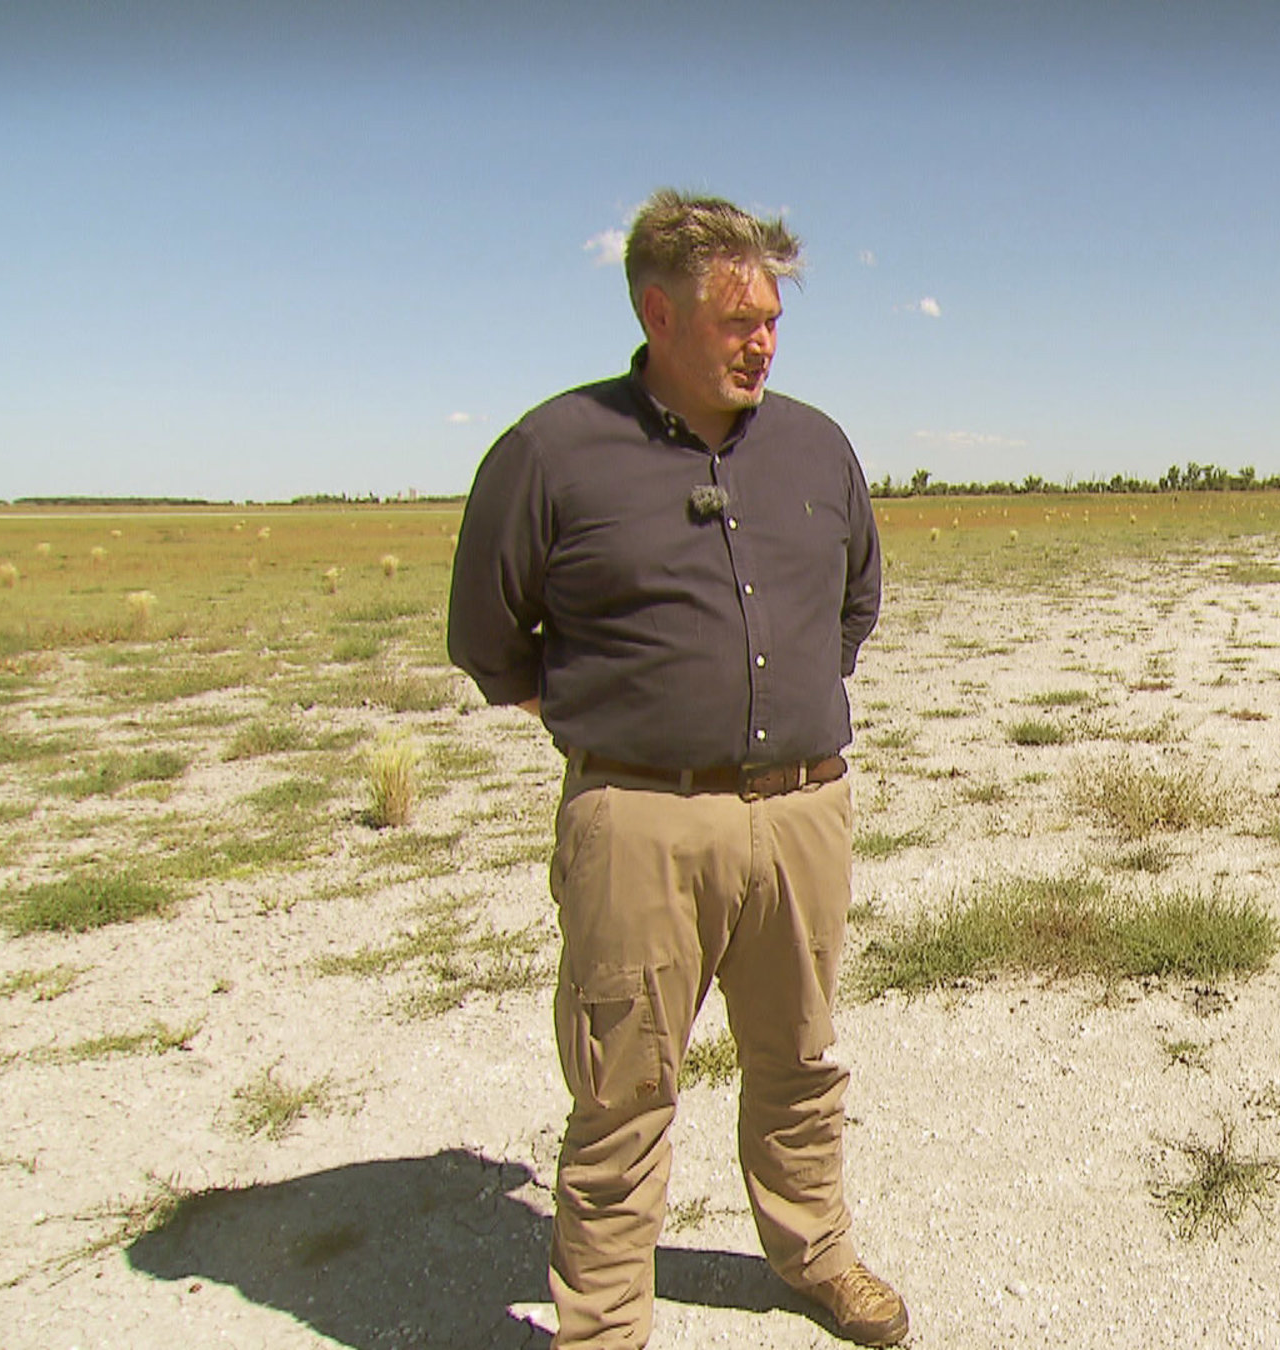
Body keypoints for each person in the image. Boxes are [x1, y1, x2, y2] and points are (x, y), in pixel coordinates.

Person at [448, 189, 905, 1349]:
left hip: (803, 813)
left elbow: (855, 601)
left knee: (800, 1061)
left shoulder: (815, 444)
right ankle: (603, 1327)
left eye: (772, 320)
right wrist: (628, 715)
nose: (761, 341)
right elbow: (488, 641)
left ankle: (815, 1255)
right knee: (621, 1091)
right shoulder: (551, 453)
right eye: (734, 319)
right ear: (656, 311)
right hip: (638, 826)